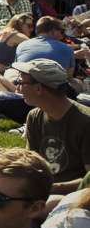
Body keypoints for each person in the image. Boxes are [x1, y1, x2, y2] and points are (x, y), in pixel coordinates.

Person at [15, 59, 90, 195]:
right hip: (43, 189)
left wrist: (55, 188)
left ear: (38, 88)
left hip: (75, 196)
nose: (17, 88)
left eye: (20, 83)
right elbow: (32, 163)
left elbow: (89, 180)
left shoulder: (85, 123)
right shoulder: (35, 116)